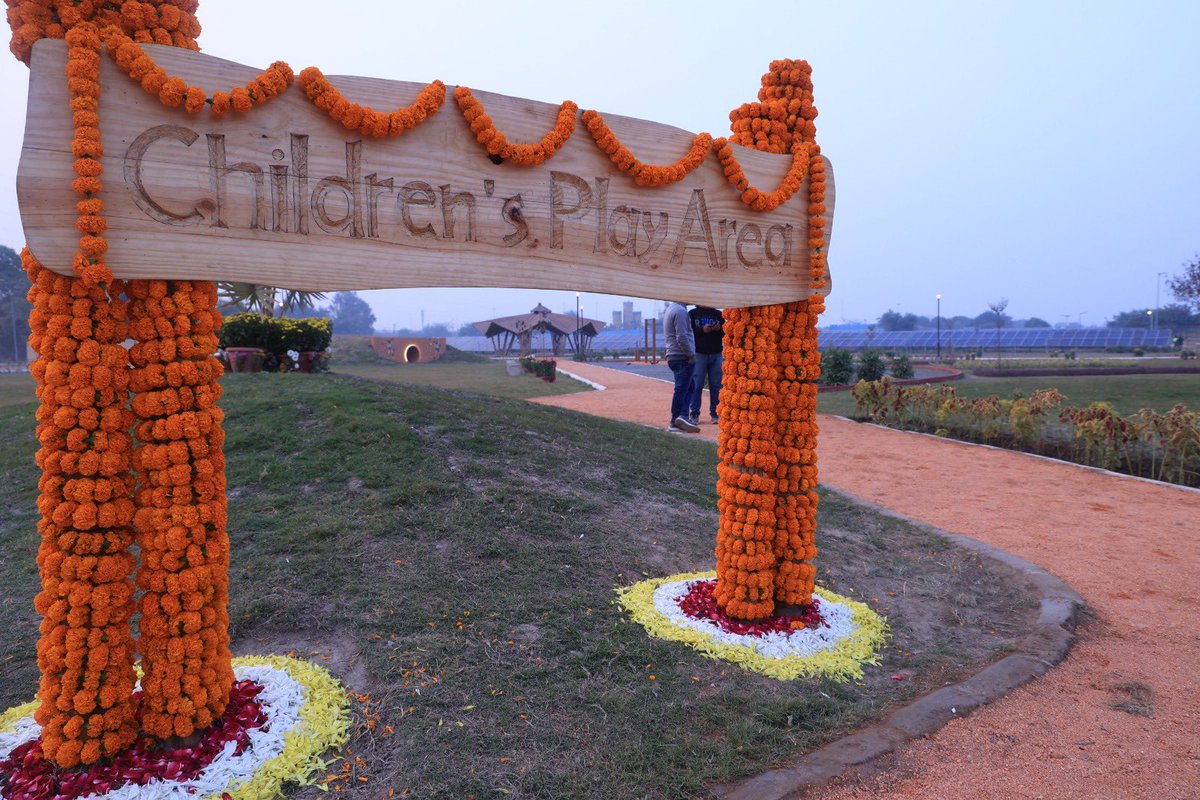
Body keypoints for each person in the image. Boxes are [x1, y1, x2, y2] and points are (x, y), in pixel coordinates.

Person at [663, 301, 699, 432]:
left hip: (674, 355)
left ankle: (682, 417)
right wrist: (690, 354)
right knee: (682, 389)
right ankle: (675, 420)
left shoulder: (671, 309)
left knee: (689, 387)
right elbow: (682, 337)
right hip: (682, 356)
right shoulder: (681, 312)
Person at [688, 305, 724, 425]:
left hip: (716, 353)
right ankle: (694, 414)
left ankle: (716, 413)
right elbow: (689, 332)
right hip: (699, 353)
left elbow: (726, 333)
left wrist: (719, 329)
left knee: (716, 386)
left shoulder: (719, 314)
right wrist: (702, 330)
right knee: (697, 385)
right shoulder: (692, 314)